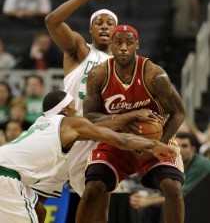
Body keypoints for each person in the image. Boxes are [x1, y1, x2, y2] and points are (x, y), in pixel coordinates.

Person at [29, 0, 126, 221]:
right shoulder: (80, 50)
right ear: (91, 30)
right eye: (99, 23)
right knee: (29, 197)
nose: (104, 27)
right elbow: (52, 20)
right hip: (64, 133)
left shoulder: (127, 69)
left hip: (96, 138)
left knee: (99, 207)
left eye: (110, 23)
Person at [0, 90, 174, 222]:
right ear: (66, 109)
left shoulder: (41, 123)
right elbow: (119, 139)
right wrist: (153, 144)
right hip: (6, 177)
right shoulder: (71, 123)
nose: (76, 109)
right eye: (73, 105)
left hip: (9, 172)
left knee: (39, 210)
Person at [75, 25, 186, 223]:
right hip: (115, 141)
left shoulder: (154, 75)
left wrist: (158, 143)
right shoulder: (98, 75)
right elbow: (89, 117)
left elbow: (179, 112)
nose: (124, 48)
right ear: (111, 45)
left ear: (137, 45)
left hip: (155, 138)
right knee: (92, 189)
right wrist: (125, 119)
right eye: (118, 43)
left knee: (173, 188)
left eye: (129, 43)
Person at [129, 132, 210, 223]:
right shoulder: (178, 162)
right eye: (178, 146)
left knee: (164, 207)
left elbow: (181, 195)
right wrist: (145, 199)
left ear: (193, 148)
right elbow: (165, 193)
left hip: (201, 207)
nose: (180, 150)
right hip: (193, 202)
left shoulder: (201, 165)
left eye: (184, 146)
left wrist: (147, 202)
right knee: (149, 208)